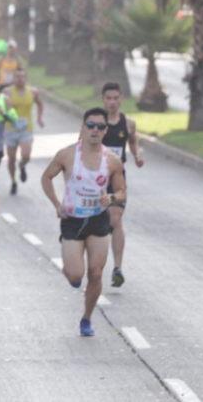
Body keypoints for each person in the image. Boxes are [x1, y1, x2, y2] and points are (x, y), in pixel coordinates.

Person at [40, 108, 126, 337]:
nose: (95, 130)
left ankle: (87, 318)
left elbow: (122, 191)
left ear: (106, 130)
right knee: (75, 275)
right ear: (83, 127)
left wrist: (113, 198)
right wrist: (57, 204)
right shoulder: (67, 155)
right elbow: (46, 177)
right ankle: (74, 277)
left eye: (100, 126)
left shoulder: (112, 160)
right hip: (72, 220)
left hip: (98, 220)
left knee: (96, 273)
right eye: (91, 125)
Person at [100, 82, 144, 287]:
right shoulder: (95, 123)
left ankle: (117, 268)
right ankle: (95, 264)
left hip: (118, 180)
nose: (112, 102)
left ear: (121, 98)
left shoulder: (128, 123)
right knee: (99, 224)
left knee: (115, 220)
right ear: (103, 99)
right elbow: (80, 146)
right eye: (108, 98)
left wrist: (137, 154)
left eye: (115, 98)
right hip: (96, 181)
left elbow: (133, 140)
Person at [6, 69, 44, 195]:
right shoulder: (7, 92)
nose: (20, 79)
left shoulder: (33, 92)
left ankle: (22, 165)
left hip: (26, 129)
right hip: (11, 129)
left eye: (22, 76)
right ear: (13, 78)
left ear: (26, 78)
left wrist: (39, 117)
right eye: (17, 76)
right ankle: (13, 181)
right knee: (11, 158)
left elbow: (40, 104)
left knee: (26, 155)